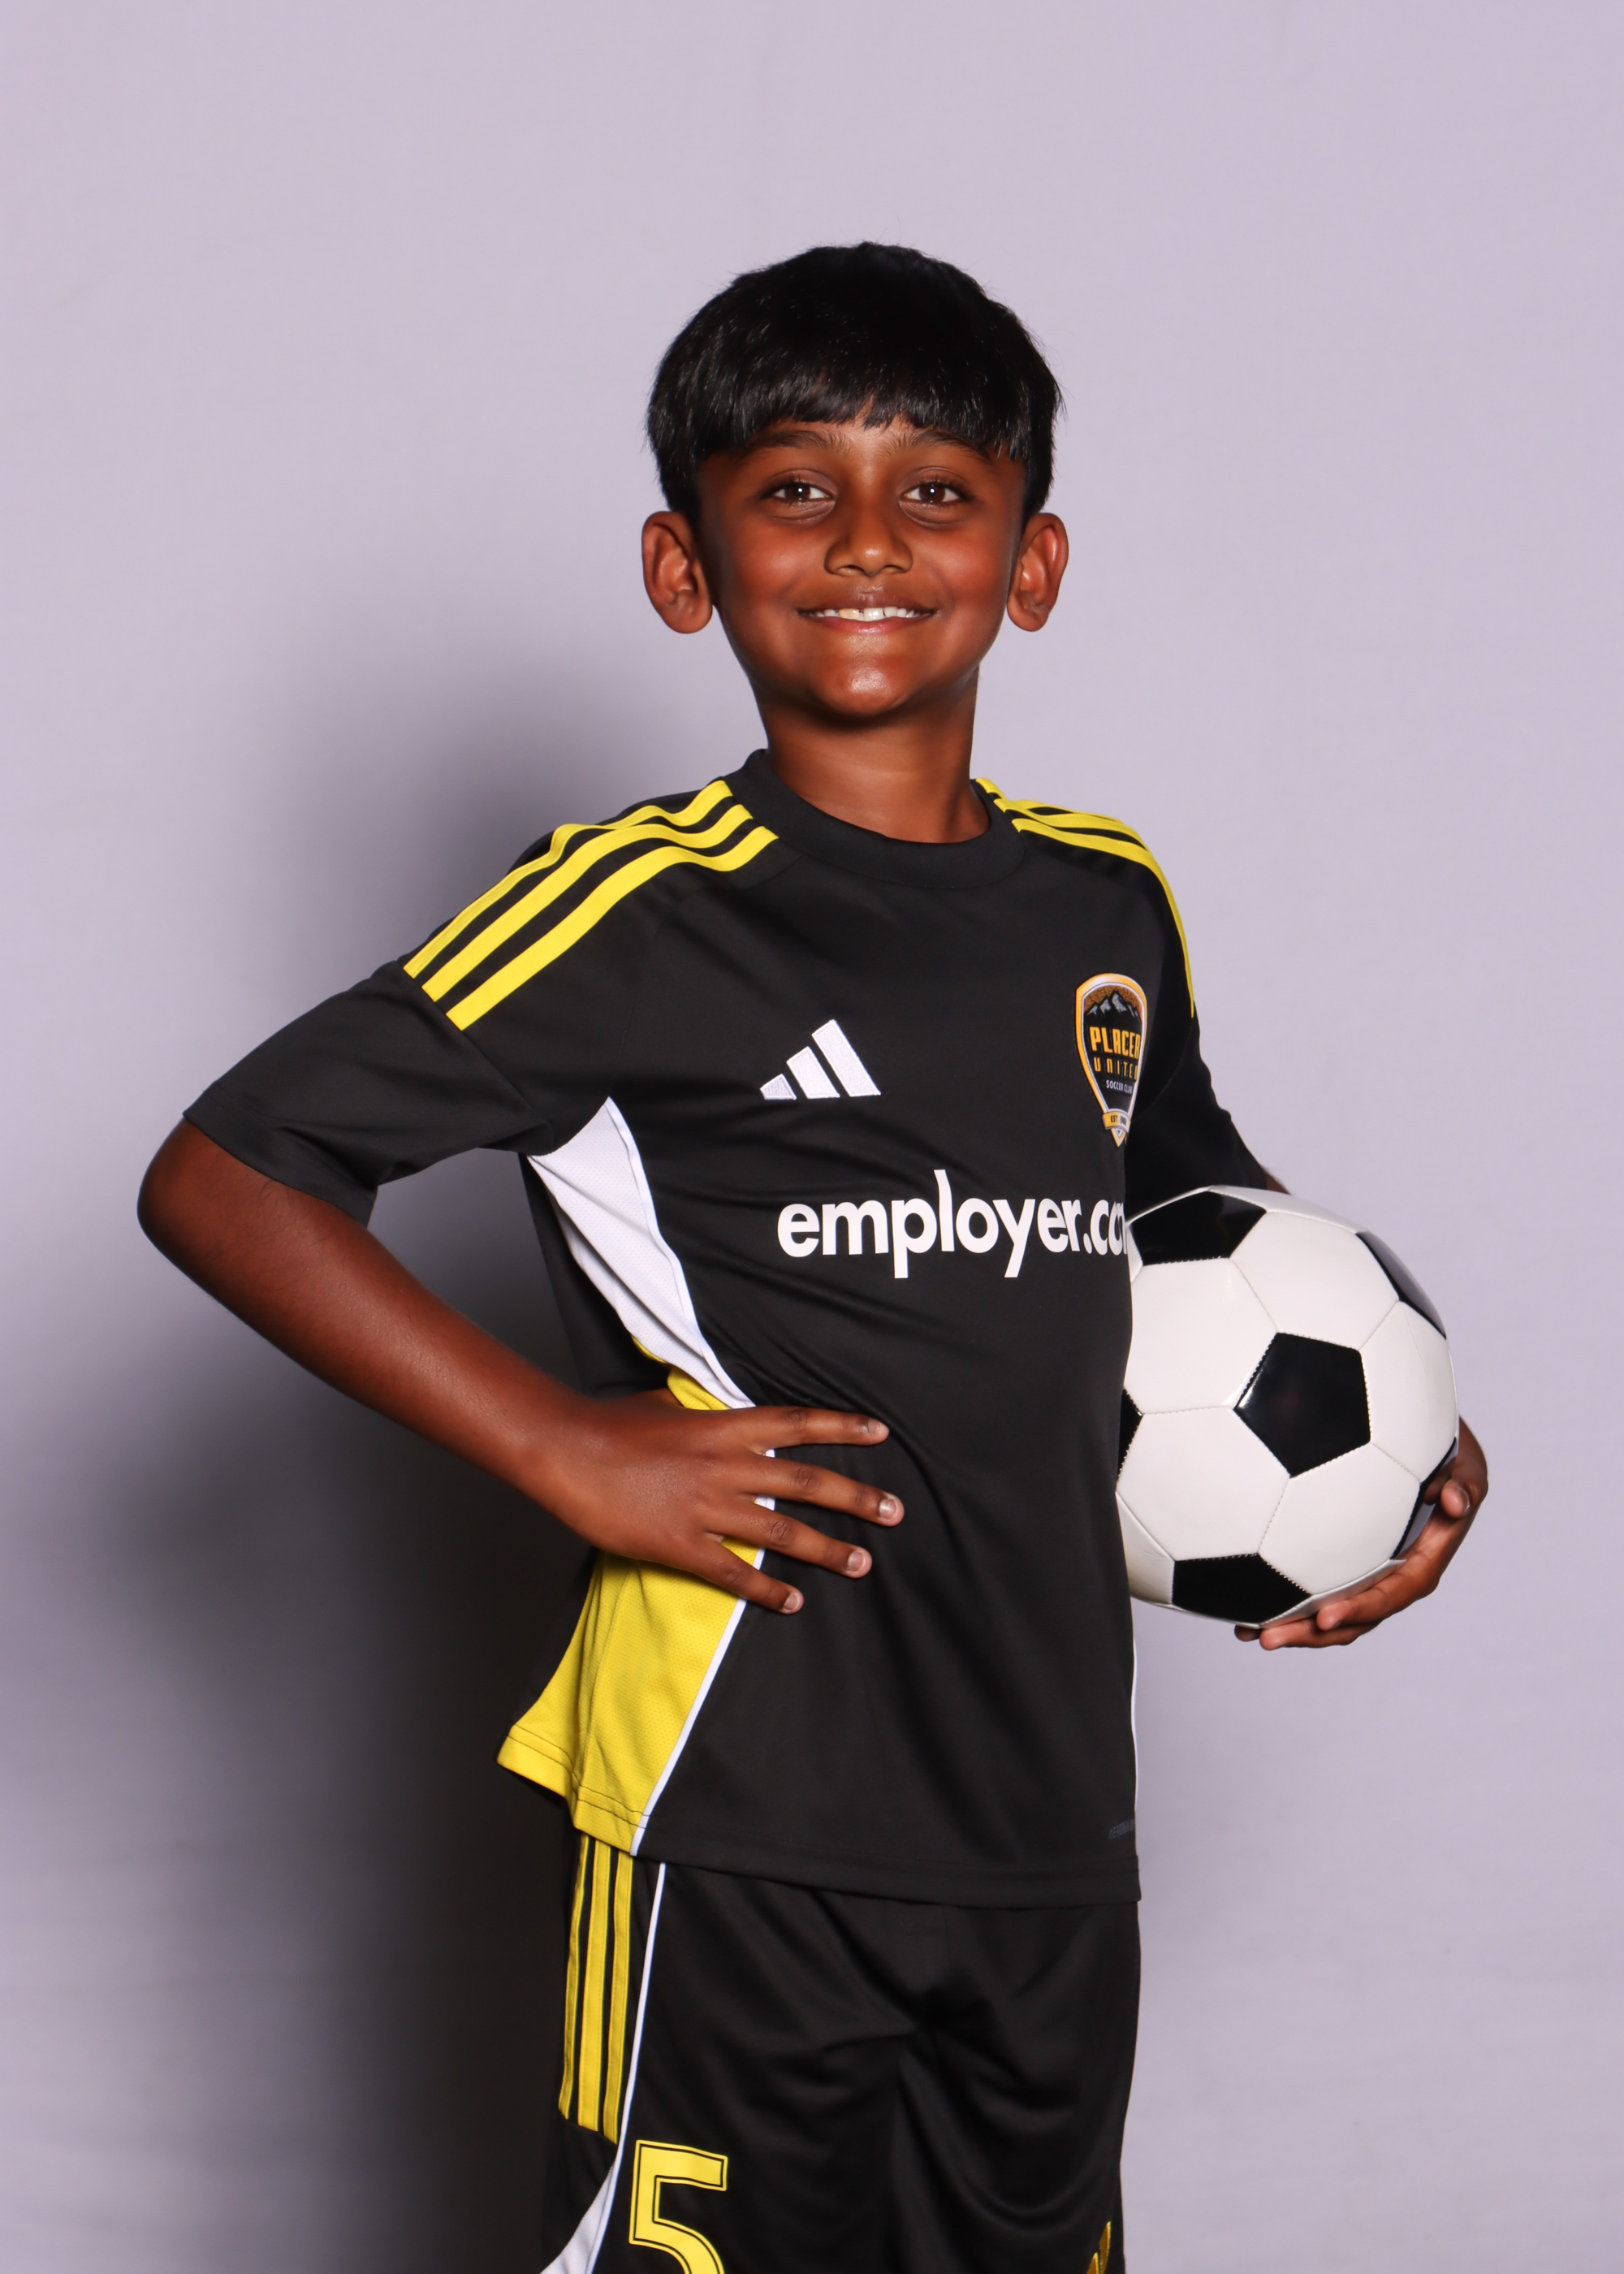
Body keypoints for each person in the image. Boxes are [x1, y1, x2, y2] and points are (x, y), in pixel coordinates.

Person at [139, 243, 1488, 2274]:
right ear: (684, 565)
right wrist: (562, 1446)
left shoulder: (1104, 902)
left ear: (1031, 560)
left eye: (935, 489)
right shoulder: (637, 907)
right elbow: (229, 1173)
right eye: (794, 490)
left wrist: (1398, 1430)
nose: (867, 542)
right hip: (738, 1803)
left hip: (1047, 1825)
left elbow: (1195, 1209)